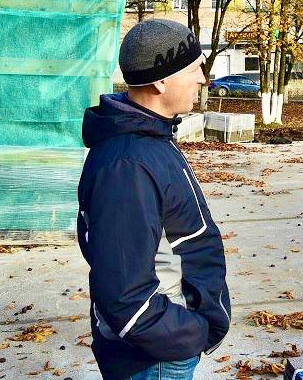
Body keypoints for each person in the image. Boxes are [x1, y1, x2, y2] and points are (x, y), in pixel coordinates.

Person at [77, 19, 231, 380]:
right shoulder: (128, 166)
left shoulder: (149, 138)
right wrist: (188, 333)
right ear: (161, 81)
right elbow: (124, 293)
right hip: (155, 359)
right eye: (194, 69)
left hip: (164, 348)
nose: (202, 79)